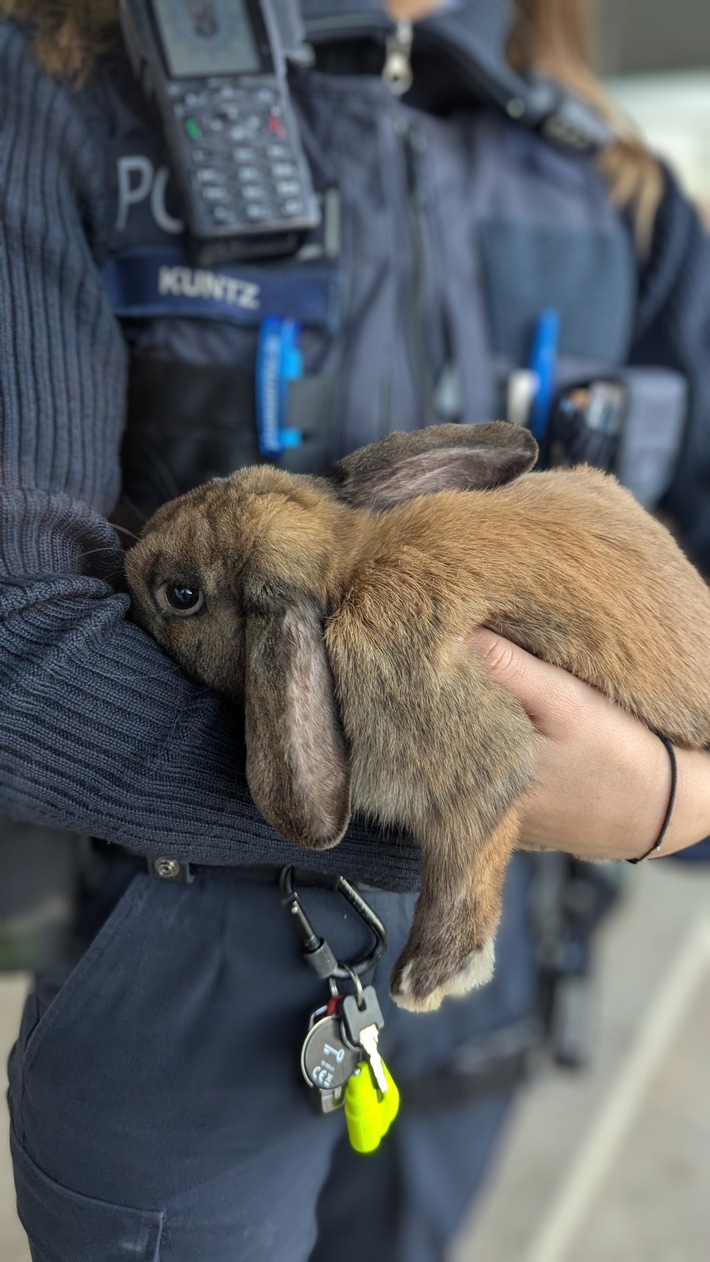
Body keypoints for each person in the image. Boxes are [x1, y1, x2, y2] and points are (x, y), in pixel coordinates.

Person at [1, 2, 709, 1261]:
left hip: (472, 1025)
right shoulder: (59, 83)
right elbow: (21, 640)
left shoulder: (614, 191)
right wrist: (483, 816)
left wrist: (670, 801)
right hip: (182, 1023)